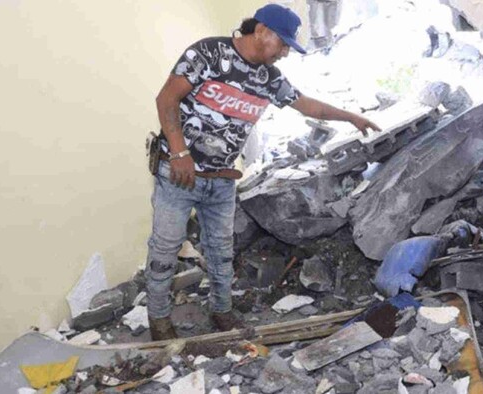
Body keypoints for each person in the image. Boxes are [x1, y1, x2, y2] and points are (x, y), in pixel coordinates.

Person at [146, 4, 380, 340]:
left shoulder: (268, 78)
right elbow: (166, 99)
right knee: (165, 248)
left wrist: (351, 117)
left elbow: (305, 104)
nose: (285, 52)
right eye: (283, 44)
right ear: (261, 31)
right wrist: (180, 152)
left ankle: (222, 313)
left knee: (222, 250)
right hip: (179, 174)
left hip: (222, 180)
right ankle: (159, 322)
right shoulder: (209, 53)